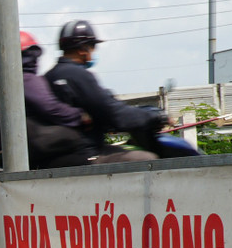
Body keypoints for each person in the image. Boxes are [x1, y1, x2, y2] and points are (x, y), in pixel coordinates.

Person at [44, 20, 164, 165]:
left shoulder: (49, 76)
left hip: (58, 157)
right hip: (85, 156)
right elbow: (114, 113)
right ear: (82, 48)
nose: (93, 52)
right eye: (93, 46)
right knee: (147, 159)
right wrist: (155, 116)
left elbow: (97, 112)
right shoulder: (79, 75)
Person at [18, 30, 94, 168]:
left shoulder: (5, 87)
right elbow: (52, 108)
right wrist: (81, 116)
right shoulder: (27, 80)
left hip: (15, 152)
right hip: (31, 151)